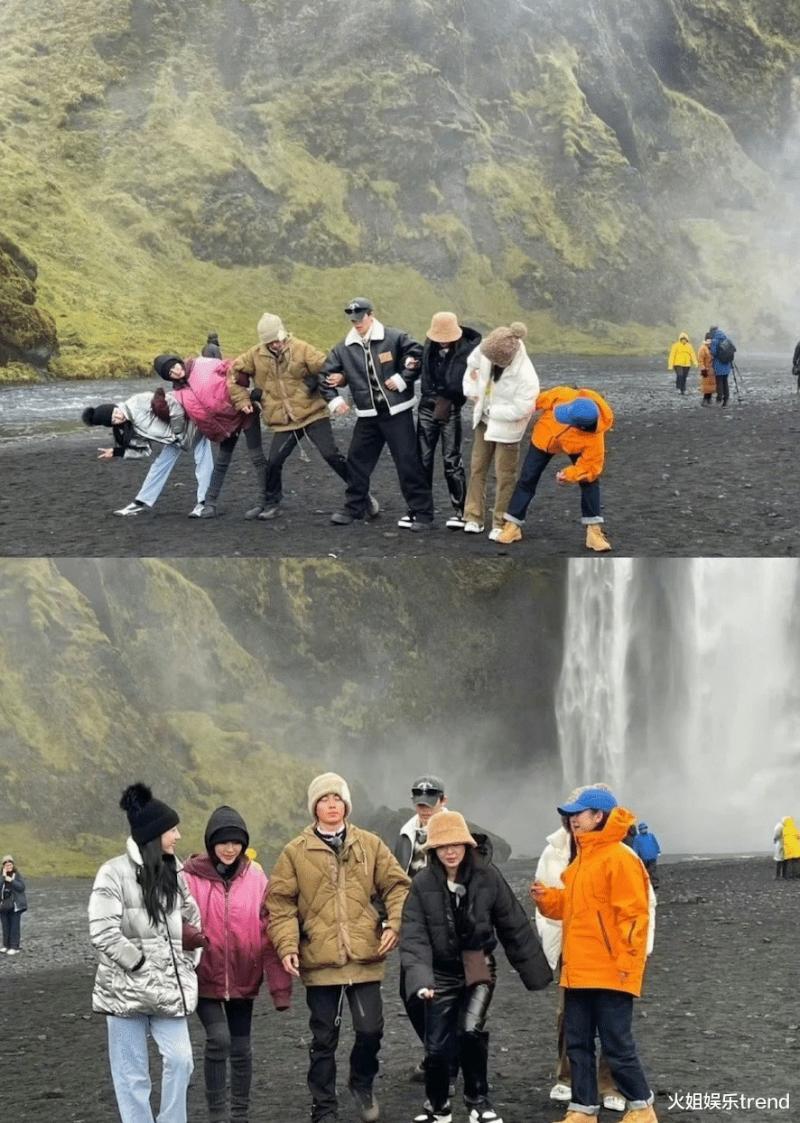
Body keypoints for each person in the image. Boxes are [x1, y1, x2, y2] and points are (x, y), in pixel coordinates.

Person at [268, 772, 411, 1123]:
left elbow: (397, 886)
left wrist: (395, 923)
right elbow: (280, 903)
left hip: (365, 956)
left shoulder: (370, 844)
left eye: (337, 798)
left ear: (346, 804)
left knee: (370, 1030)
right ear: (314, 806)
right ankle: (324, 1108)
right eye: (324, 799)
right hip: (319, 960)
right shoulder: (294, 852)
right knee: (323, 1040)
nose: (331, 804)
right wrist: (287, 944)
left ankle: (361, 1083)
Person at [401, 809, 551, 1123]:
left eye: (456, 844)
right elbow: (414, 936)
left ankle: (478, 1102)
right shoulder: (422, 883)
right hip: (439, 970)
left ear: (467, 844)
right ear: (432, 850)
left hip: (477, 962)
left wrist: (536, 973)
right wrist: (421, 980)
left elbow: (513, 924)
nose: (450, 851)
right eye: (443, 845)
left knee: (470, 1031)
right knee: (437, 1045)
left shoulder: (488, 875)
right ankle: (438, 1107)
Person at [532, 787, 657, 1123]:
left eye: (579, 813)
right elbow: (574, 908)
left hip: (610, 972)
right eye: (571, 814)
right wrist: (547, 900)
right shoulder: (584, 859)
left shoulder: (619, 857)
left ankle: (642, 1108)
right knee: (578, 1045)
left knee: (617, 1046)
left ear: (599, 816)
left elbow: (635, 915)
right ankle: (583, 1108)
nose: (573, 819)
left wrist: (627, 966)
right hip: (578, 970)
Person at [88, 783, 200, 1123]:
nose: (178, 836)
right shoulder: (113, 872)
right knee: (131, 1076)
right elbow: (102, 931)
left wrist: (189, 960)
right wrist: (137, 963)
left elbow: (192, 917)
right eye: (172, 830)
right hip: (124, 993)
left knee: (182, 1061)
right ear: (153, 834)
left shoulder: (175, 871)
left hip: (167, 988)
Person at [183, 806, 293, 1123]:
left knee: (242, 1049)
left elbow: (270, 931)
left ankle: (239, 1115)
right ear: (210, 843)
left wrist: (280, 989)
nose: (230, 848)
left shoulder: (257, 878)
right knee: (218, 1040)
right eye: (222, 842)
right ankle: (218, 1114)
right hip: (204, 976)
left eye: (236, 842)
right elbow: (175, 921)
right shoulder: (190, 878)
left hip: (245, 980)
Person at [227, 312, 373, 521]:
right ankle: (272, 502)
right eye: (270, 342)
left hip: (313, 413)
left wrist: (314, 382)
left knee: (331, 455)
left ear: (283, 333)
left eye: (278, 339)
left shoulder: (302, 348)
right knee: (274, 461)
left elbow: (327, 366)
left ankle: (363, 496)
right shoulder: (254, 355)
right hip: (283, 420)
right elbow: (234, 375)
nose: (276, 344)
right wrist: (243, 400)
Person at [321, 298, 434, 531]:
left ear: (371, 315)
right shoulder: (343, 348)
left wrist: (403, 378)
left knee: (407, 462)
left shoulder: (395, 337)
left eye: (360, 318)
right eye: (353, 320)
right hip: (368, 415)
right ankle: (355, 506)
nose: (357, 323)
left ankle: (422, 512)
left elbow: (418, 357)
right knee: (357, 461)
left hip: (397, 413)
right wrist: (335, 400)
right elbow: (325, 376)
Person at [496, 387, 614, 551]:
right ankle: (513, 525)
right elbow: (538, 400)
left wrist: (568, 474)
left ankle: (594, 532)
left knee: (590, 481)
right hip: (543, 439)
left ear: (580, 427)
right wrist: (519, 411)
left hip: (576, 446)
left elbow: (589, 468)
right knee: (527, 477)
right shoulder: (566, 395)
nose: (561, 414)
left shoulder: (594, 441)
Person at [153, 353, 268, 520]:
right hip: (226, 425)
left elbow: (233, 367)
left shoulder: (203, 364)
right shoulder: (179, 394)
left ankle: (264, 501)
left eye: (175, 366)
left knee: (256, 457)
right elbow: (183, 416)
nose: (176, 372)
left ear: (179, 361)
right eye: (170, 373)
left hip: (245, 411)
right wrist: (160, 407)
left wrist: (247, 391)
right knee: (221, 462)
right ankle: (210, 505)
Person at [82, 387, 214, 517]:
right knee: (159, 465)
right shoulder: (130, 427)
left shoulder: (138, 401)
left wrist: (178, 431)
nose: (118, 417)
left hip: (193, 421)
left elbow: (172, 403)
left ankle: (203, 503)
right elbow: (145, 451)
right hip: (176, 440)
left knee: (203, 461)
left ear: (115, 406)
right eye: (113, 420)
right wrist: (118, 452)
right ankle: (140, 502)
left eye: (115, 412)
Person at [461, 322, 539, 540]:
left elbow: (523, 408)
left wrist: (493, 409)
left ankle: (500, 521)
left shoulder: (526, 375)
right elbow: (471, 367)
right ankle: (473, 516)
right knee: (477, 468)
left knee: (505, 475)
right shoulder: (487, 348)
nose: (490, 362)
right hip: (484, 420)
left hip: (508, 428)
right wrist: (472, 391)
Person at [416, 313, 482, 530]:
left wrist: (456, 396)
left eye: (446, 336)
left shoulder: (468, 352)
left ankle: (461, 510)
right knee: (422, 460)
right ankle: (419, 509)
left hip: (450, 407)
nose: (442, 340)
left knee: (451, 460)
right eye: (439, 336)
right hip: (427, 405)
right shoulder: (429, 346)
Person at [0, 855, 27, 955]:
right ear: (3, 866)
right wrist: (3, 877)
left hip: (16, 905)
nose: (9, 866)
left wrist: (11, 880)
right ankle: (6, 946)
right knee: (5, 926)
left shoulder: (17, 875)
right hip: (3, 905)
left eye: (10, 864)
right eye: (6, 865)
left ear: (13, 865)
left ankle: (14, 946)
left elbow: (21, 887)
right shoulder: (1, 875)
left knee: (14, 926)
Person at [708, 326, 735, 406]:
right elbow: (732, 350)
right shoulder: (727, 339)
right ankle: (726, 399)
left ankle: (719, 398)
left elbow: (713, 353)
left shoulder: (714, 341)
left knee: (719, 382)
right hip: (727, 365)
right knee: (725, 381)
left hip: (718, 364)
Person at [631, 823, 661, 889]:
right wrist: (635, 855)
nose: (643, 830)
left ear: (646, 828)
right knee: (644, 871)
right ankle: (645, 883)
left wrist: (658, 851)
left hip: (652, 856)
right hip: (643, 857)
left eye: (644, 828)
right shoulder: (637, 838)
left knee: (653, 870)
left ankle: (655, 883)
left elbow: (655, 843)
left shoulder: (651, 836)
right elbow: (635, 847)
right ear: (639, 830)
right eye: (641, 829)